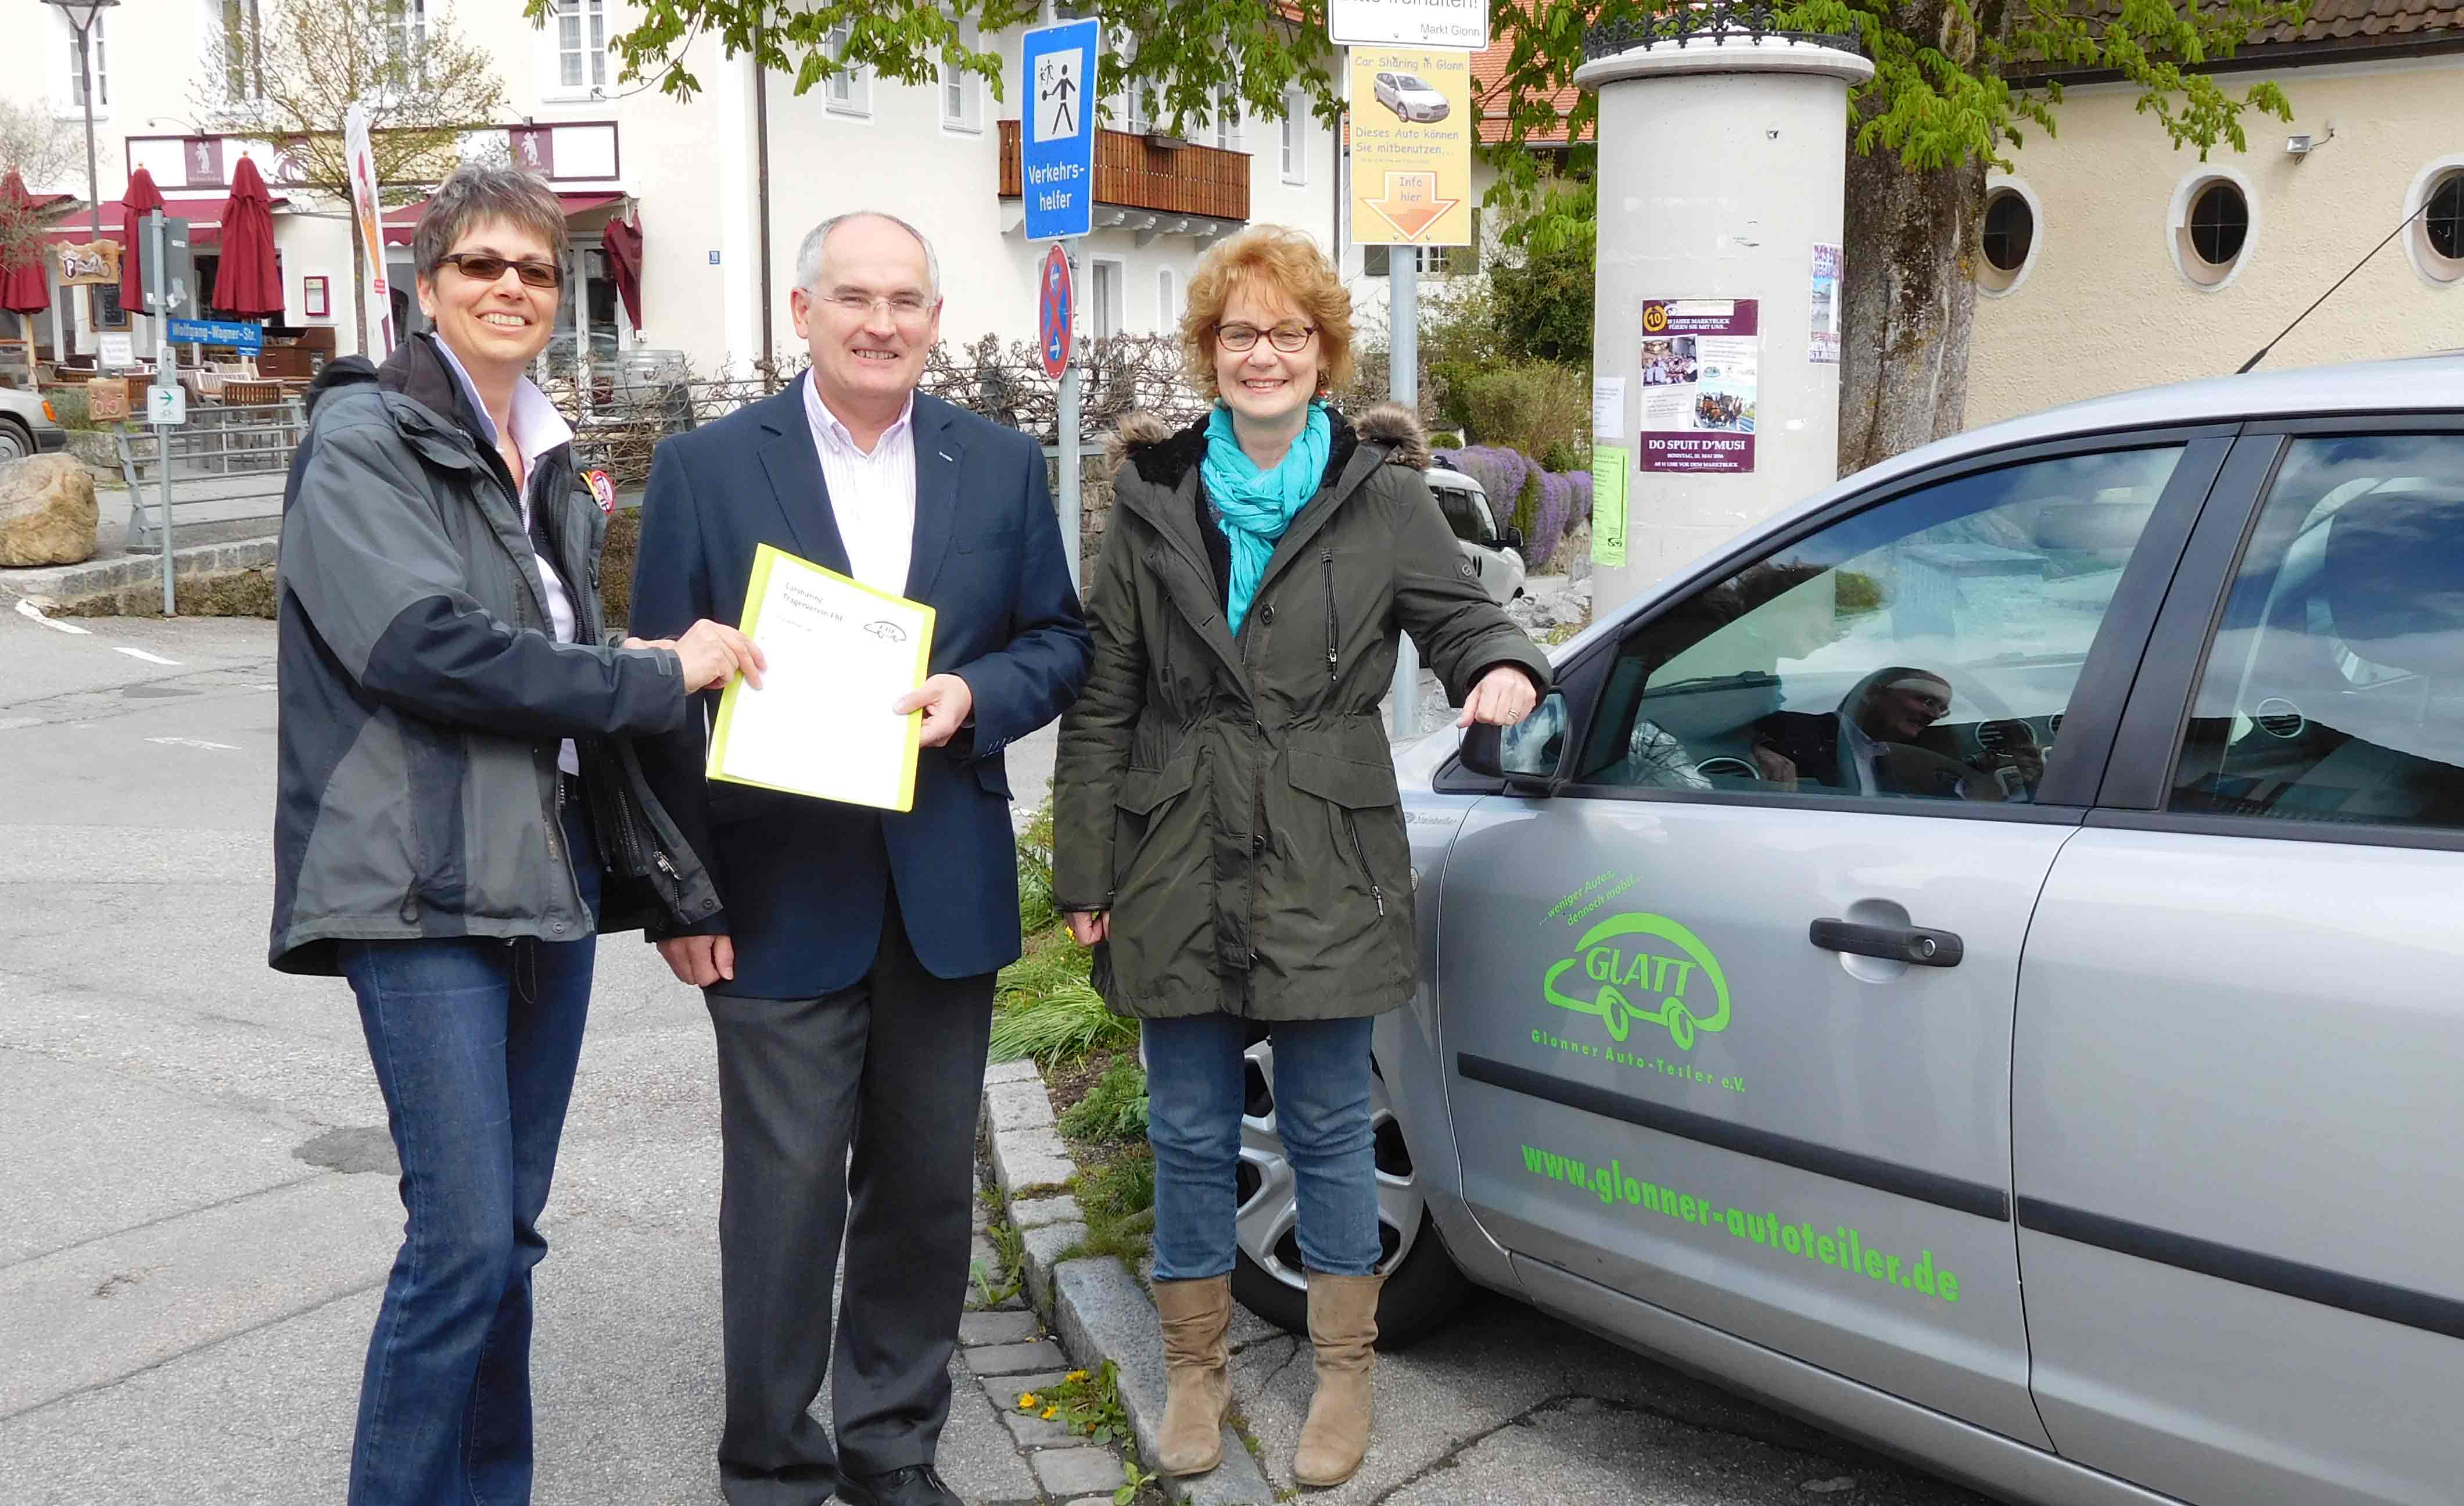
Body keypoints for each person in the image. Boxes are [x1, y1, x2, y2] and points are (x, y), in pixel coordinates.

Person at [270, 163, 761, 1506]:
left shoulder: (548, 461)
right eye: (481, 265)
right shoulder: (365, 439)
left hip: (549, 879)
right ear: (427, 287)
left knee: (506, 1236)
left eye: (536, 269)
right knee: (463, 1244)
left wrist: (639, 673)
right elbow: (419, 646)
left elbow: (559, 661)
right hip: (417, 881)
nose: (511, 288)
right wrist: (649, 678)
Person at [1052, 224, 1550, 1490]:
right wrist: (1086, 870)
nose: (1262, 354)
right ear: (1209, 351)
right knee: (1188, 1125)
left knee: (1329, 1123)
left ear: (1323, 352)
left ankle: (1342, 1374)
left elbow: (1461, 616)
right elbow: (1104, 699)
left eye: (1287, 333)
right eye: (1239, 333)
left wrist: (1501, 665)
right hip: (1174, 848)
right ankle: (1196, 1371)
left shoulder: (1381, 495)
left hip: (1325, 845)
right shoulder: (1155, 495)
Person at [629, 211, 1088, 1506]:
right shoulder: (708, 467)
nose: (881, 323)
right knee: (782, 1201)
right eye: (854, 298)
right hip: (773, 895)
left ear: (935, 320)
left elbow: (1060, 641)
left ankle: (891, 1448)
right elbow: (658, 698)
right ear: (803, 312)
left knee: (926, 1194)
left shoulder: (997, 463)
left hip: (942, 887)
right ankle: (772, 1466)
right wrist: (678, 894)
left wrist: (977, 695)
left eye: (905, 301)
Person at [1748, 666, 2038, 799]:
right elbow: (1735, 733)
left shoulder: (1903, 755)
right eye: (1926, 701)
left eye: (1943, 709)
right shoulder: (1797, 729)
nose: (1934, 715)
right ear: (1873, 694)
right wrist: (1756, 751)